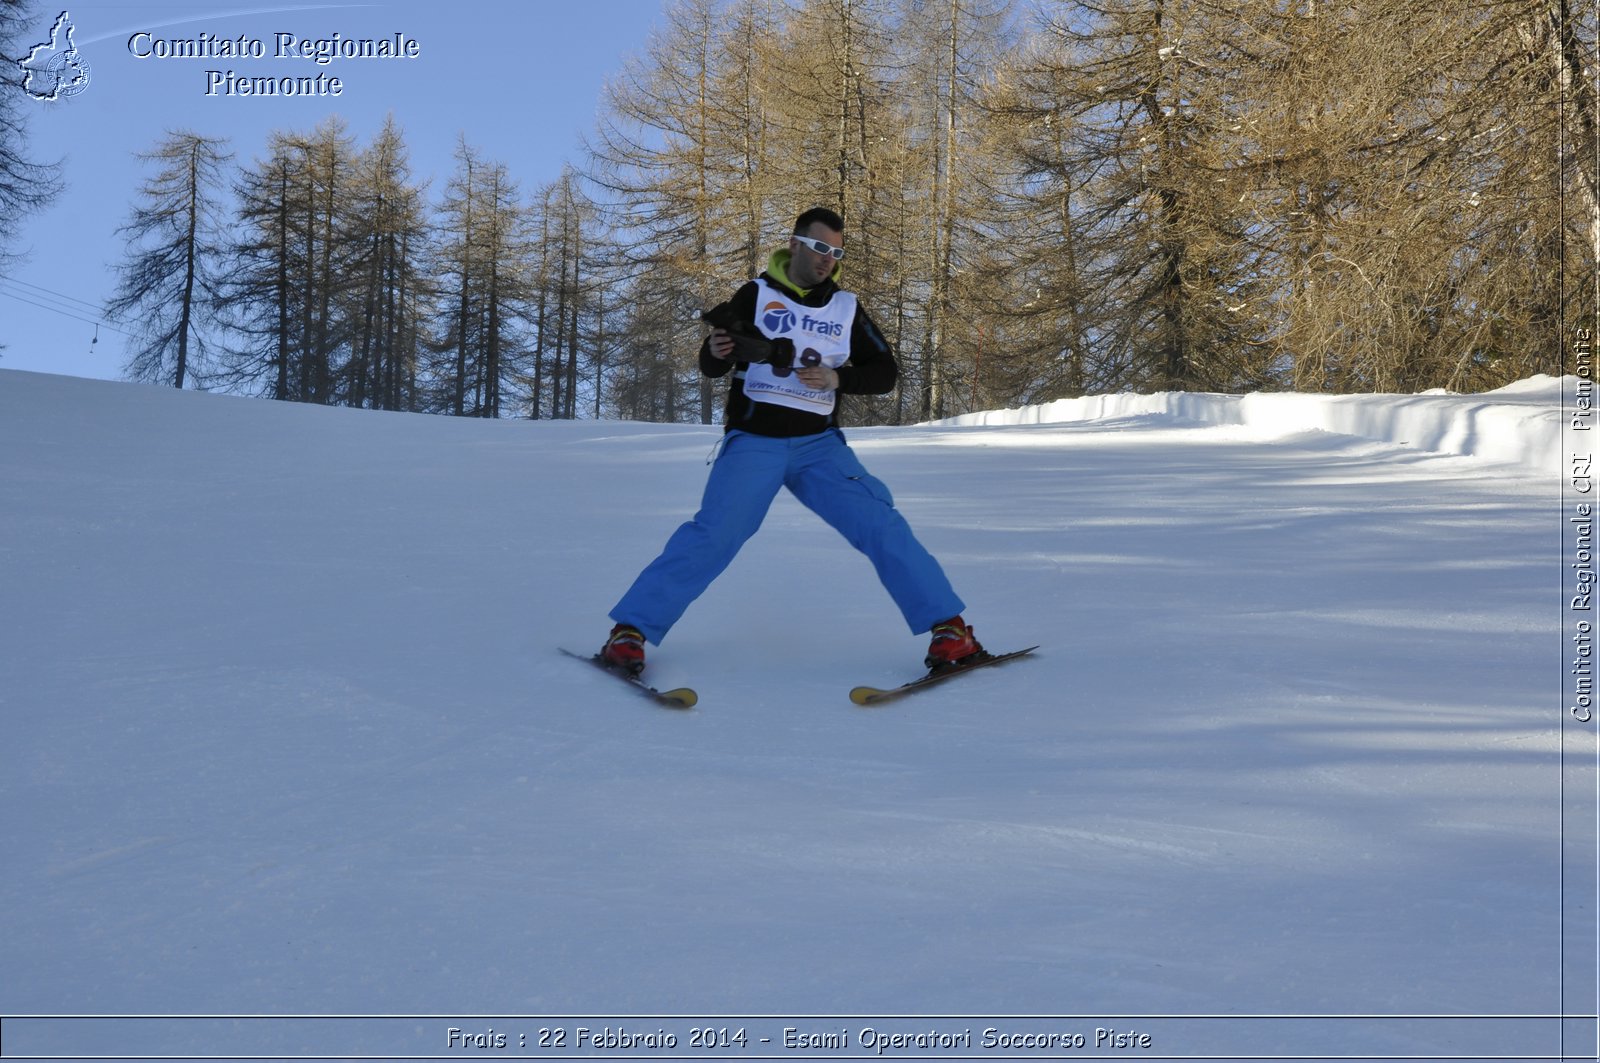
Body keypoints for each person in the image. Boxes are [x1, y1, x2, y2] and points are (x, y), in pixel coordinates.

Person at [599, 207, 981, 675]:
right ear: (796, 244)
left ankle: (951, 632)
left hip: (819, 447)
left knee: (880, 524)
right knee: (717, 534)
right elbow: (714, 362)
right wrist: (716, 351)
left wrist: (837, 378)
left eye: (837, 253)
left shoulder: (846, 307)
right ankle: (630, 632)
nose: (828, 260)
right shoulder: (755, 294)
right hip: (755, 442)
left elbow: (885, 373)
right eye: (821, 248)